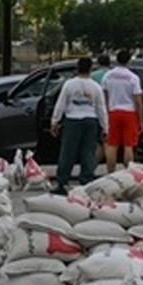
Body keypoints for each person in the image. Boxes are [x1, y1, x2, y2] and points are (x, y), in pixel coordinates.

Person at [49, 56, 107, 194]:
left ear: (77, 68)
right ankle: (86, 181)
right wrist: (105, 127)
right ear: (90, 69)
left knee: (68, 152)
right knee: (87, 153)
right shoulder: (96, 87)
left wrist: (55, 121)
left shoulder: (69, 84)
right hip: (90, 121)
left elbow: (61, 104)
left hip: (73, 120)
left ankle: (62, 182)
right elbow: (101, 108)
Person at [101, 49, 143, 176]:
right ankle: (129, 174)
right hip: (129, 113)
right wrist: (140, 120)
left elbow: (105, 95)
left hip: (113, 112)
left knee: (111, 145)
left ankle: (110, 174)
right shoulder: (133, 77)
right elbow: (138, 101)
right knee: (128, 145)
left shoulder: (108, 76)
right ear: (129, 60)